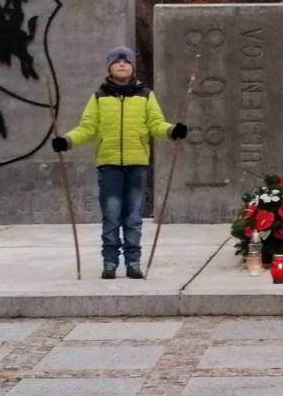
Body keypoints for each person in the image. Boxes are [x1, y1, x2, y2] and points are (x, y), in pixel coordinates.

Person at [52, 46, 187, 279]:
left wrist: (172, 130)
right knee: (112, 215)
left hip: (137, 164)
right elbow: (88, 127)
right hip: (109, 165)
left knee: (133, 217)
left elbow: (156, 124)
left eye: (126, 61)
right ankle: (110, 262)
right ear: (109, 68)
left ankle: (133, 262)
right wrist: (66, 141)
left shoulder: (145, 95)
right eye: (116, 61)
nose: (122, 64)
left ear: (133, 67)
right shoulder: (99, 97)